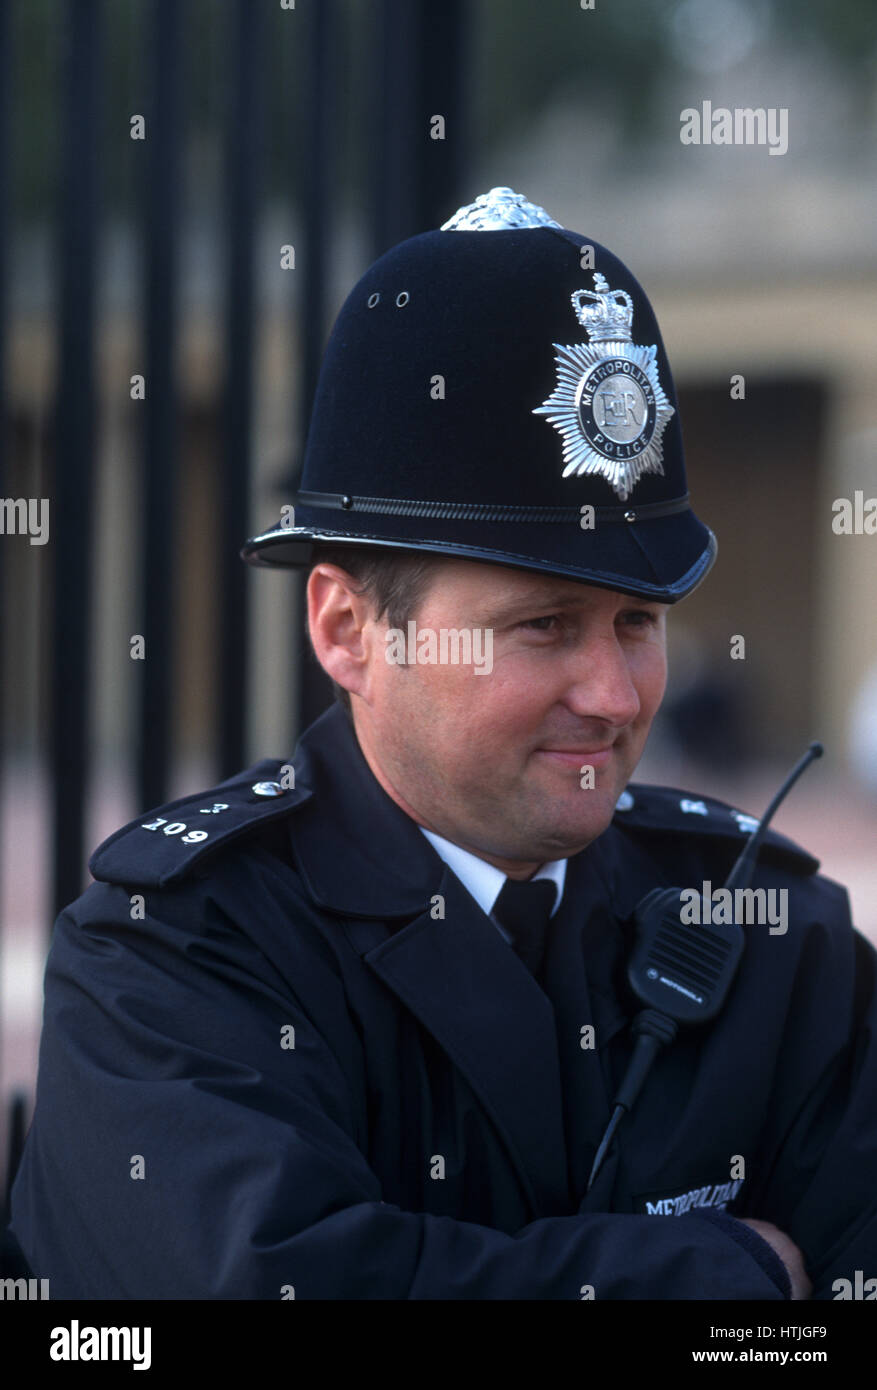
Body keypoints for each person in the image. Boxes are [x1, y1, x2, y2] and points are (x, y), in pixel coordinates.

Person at [9, 189, 877, 1300]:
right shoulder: (174, 955)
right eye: (543, 626)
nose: (613, 693)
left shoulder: (774, 942)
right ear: (346, 629)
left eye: (638, 624)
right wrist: (732, 1270)